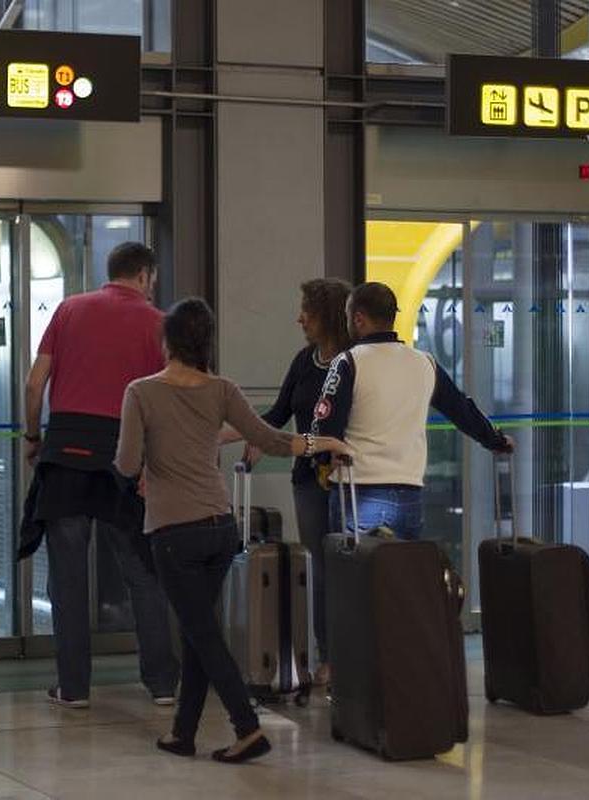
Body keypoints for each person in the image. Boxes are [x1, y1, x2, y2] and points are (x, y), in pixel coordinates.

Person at [115, 298, 352, 764]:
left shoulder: (141, 392)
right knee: (197, 629)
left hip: (173, 531)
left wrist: (146, 463)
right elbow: (272, 440)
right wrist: (322, 441)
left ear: (167, 343)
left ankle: (246, 727)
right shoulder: (222, 388)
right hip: (221, 527)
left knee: (201, 632)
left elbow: (125, 463)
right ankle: (183, 734)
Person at [20, 242, 179, 709]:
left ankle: (73, 689)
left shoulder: (69, 310)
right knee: (141, 573)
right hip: (122, 455)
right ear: (146, 276)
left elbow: (34, 384)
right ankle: (162, 684)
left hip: (65, 451)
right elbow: (165, 399)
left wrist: (34, 436)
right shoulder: (159, 323)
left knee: (67, 580)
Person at [314, 282, 513, 541]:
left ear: (359, 318)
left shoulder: (348, 361)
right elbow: (461, 409)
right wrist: (496, 440)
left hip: (358, 491)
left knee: (355, 578)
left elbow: (325, 423)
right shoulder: (424, 363)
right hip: (408, 495)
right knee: (403, 576)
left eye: (348, 316)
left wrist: (322, 463)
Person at [239, 278, 352, 689]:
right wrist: (254, 438)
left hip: (350, 479)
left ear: (329, 316)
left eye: (308, 310)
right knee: (321, 568)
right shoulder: (305, 360)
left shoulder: (355, 361)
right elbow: (280, 411)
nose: (300, 318)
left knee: (350, 567)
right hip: (309, 479)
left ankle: (359, 651)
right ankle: (329, 656)